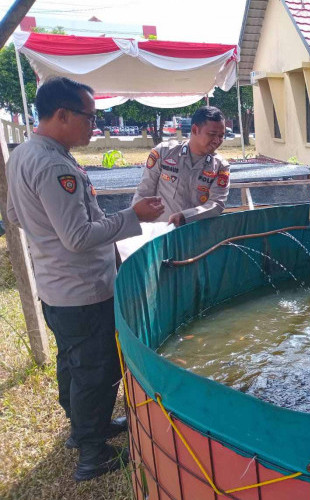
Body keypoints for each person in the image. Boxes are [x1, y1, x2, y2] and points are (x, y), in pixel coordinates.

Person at [5, 77, 165, 482]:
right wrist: (133, 218)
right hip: (82, 290)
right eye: (89, 117)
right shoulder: (57, 165)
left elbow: (16, 216)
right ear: (62, 115)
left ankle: (82, 430)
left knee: (73, 363)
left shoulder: (23, 154)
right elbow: (77, 237)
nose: (93, 127)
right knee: (96, 371)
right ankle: (93, 454)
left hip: (57, 287)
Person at [132, 106, 230, 227]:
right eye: (212, 134)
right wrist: (135, 226)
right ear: (195, 129)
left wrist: (185, 217)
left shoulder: (220, 166)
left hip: (194, 235)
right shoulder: (163, 153)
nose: (217, 140)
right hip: (160, 235)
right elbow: (144, 192)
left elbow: (216, 204)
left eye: (221, 136)